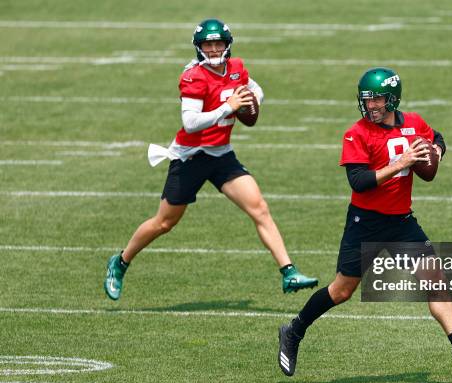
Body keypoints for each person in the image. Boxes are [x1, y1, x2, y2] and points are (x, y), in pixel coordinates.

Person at [277, 67, 452, 376]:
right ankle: (294, 330)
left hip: (401, 223)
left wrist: (435, 152)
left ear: (392, 99)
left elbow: (438, 138)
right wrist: (400, 164)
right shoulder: (357, 132)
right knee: (341, 291)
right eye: (367, 101)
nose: (371, 106)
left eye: (377, 100)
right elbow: (359, 181)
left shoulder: (414, 123)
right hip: (364, 223)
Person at [104, 18, 318, 301]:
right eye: (208, 44)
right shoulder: (193, 76)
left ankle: (289, 272)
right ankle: (120, 262)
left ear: (227, 45)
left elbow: (257, 90)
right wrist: (226, 108)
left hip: (221, 155)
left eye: (218, 43)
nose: (214, 49)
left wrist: (251, 103)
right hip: (190, 157)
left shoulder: (237, 67)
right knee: (164, 223)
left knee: (259, 208)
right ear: (199, 47)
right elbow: (190, 122)